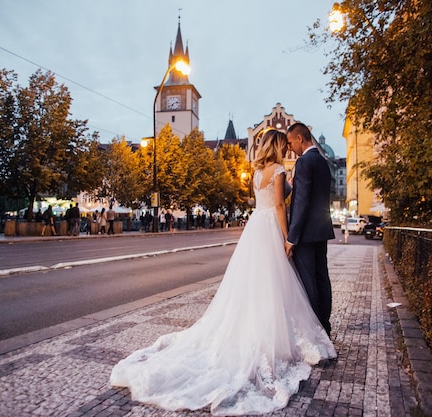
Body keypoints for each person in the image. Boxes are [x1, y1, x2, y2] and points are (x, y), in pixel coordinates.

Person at [110, 128, 336, 416]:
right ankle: (286, 332)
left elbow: (271, 198)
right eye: (284, 144)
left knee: (252, 283)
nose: (288, 148)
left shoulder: (257, 173)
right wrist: (285, 236)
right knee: (276, 282)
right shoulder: (280, 169)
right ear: (278, 146)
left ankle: (255, 327)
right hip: (270, 227)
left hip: (255, 228)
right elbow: (279, 205)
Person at [284, 122, 335, 337]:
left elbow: (302, 202)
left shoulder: (304, 162)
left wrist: (292, 237)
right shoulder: (322, 161)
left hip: (305, 233)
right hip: (321, 230)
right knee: (322, 276)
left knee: (308, 281)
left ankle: (315, 331)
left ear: (299, 139)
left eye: (290, 143)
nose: (289, 148)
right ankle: (325, 324)